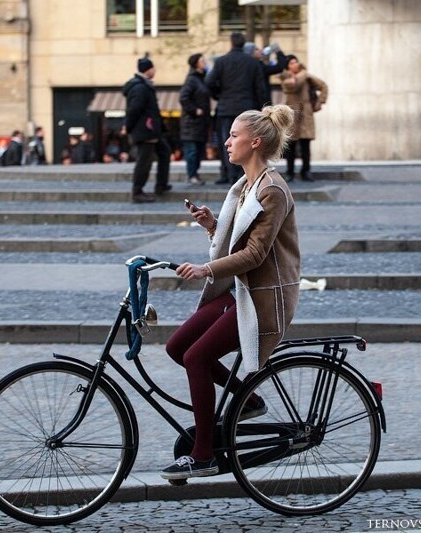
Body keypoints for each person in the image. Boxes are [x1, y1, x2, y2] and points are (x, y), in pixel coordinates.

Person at [160, 104, 301, 480]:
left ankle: (203, 453)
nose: (226, 142)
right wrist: (212, 226)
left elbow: (255, 254)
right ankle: (248, 399)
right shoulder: (245, 186)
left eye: (233, 136)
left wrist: (206, 268)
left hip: (263, 297)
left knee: (196, 358)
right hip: (241, 289)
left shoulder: (272, 190)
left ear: (254, 142)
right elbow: (239, 240)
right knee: (177, 347)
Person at [206, 32, 266, 185]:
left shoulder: (222, 61)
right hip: (247, 107)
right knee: (247, 142)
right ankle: (243, 174)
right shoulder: (252, 62)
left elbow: (209, 82)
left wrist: (218, 95)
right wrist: (262, 108)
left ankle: (228, 173)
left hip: (226, 107)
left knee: (227, 142)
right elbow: (260, 88)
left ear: (231, 43)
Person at [123, 56, 172, 203]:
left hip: (152, 130)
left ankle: (161, 185)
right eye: (153, 68)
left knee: (164, 152)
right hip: (146, 130)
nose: (155, 70)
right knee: (144, 161)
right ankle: (137, 191)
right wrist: (128, 126)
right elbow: (134, 109)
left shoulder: (144, 85)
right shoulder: (140, 87)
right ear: (148, 69)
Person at [279, 55, 328, 182]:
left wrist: (320, 101)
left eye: (296, 62)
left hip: (305, 112)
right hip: (292, 111)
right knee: (291, 144)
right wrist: (303, 74)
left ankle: (306, 171)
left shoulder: (306, 76)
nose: (295, 64)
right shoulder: (286, 77)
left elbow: (323, 86)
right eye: (291, 63)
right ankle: (290, 172)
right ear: (287, 66)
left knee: (306, 144)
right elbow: (291, 86)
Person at [179, 53, 211, 186]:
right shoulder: (192, 79)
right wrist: (195, 110)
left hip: (200, 123)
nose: (205, 62)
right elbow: (183, 98)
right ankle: (192, 175)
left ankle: (194, 174)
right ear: (196, 64)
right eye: (202, 60)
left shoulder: (202, 79)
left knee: (198, 151)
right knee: (192, 151)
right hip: (191, 123)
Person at [244, 42, 289, 107]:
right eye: (256, 49)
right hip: (260, 103)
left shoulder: (248, 65)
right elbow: (279, 67)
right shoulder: (259, 66)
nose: (260, 50)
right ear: (251, 53)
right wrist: (278, 52)